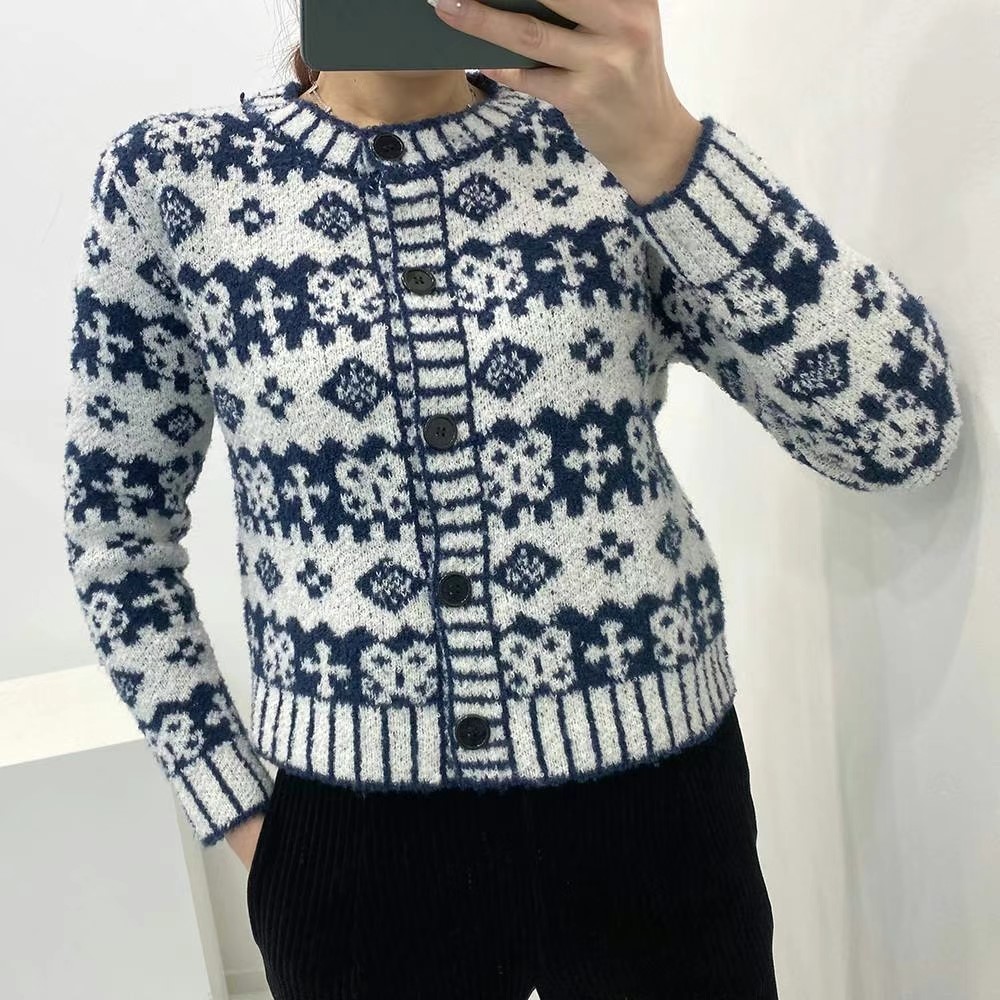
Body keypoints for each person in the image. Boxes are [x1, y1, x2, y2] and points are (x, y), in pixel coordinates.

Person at [60, 1, 963, 998]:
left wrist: (669, 152)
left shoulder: (606, 147)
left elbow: (900, 435)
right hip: (356, 854)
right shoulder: (175, 180)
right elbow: (116, 538)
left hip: (659, 818)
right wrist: (240, 809)